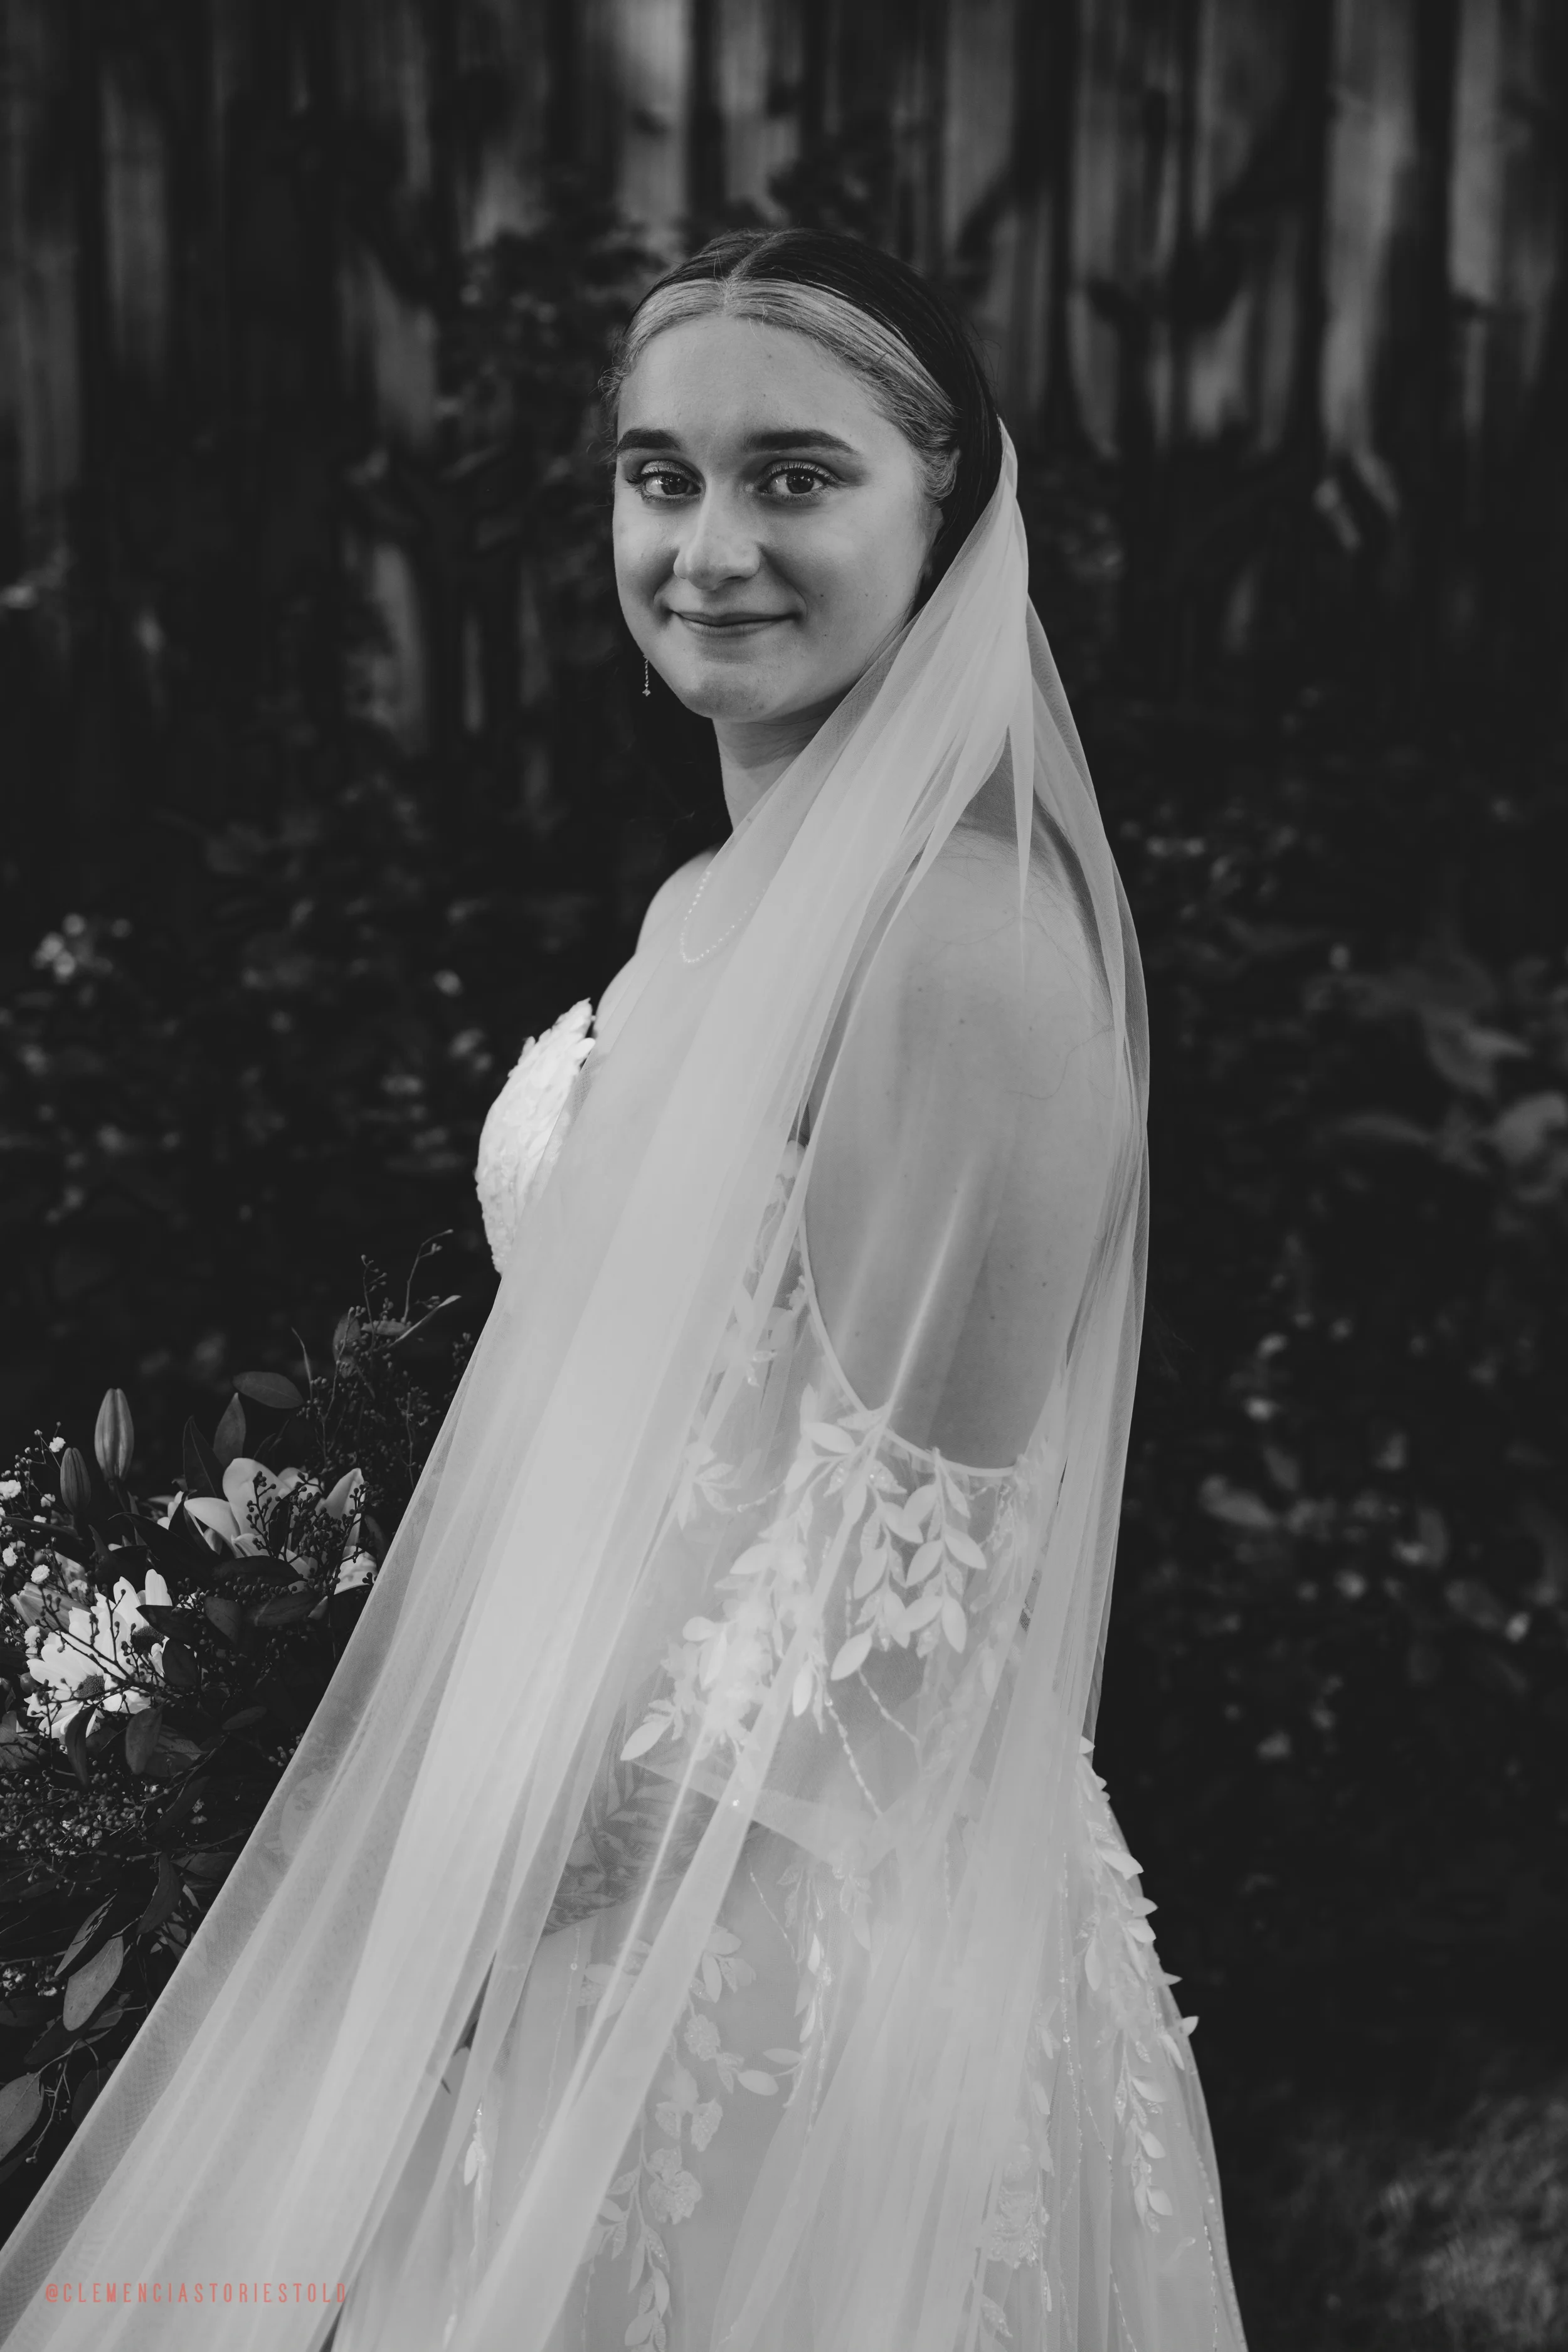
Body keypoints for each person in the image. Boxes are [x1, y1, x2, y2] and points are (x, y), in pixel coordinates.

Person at [0, 231, 1247, 2352]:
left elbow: (899, 1597)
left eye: (792, 476)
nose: (707, 545)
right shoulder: (708, 899)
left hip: (769, 1937)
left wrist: (493, 1882)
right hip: (569, 1839)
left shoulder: (963, 946)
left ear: (940, 513)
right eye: (657, 476)